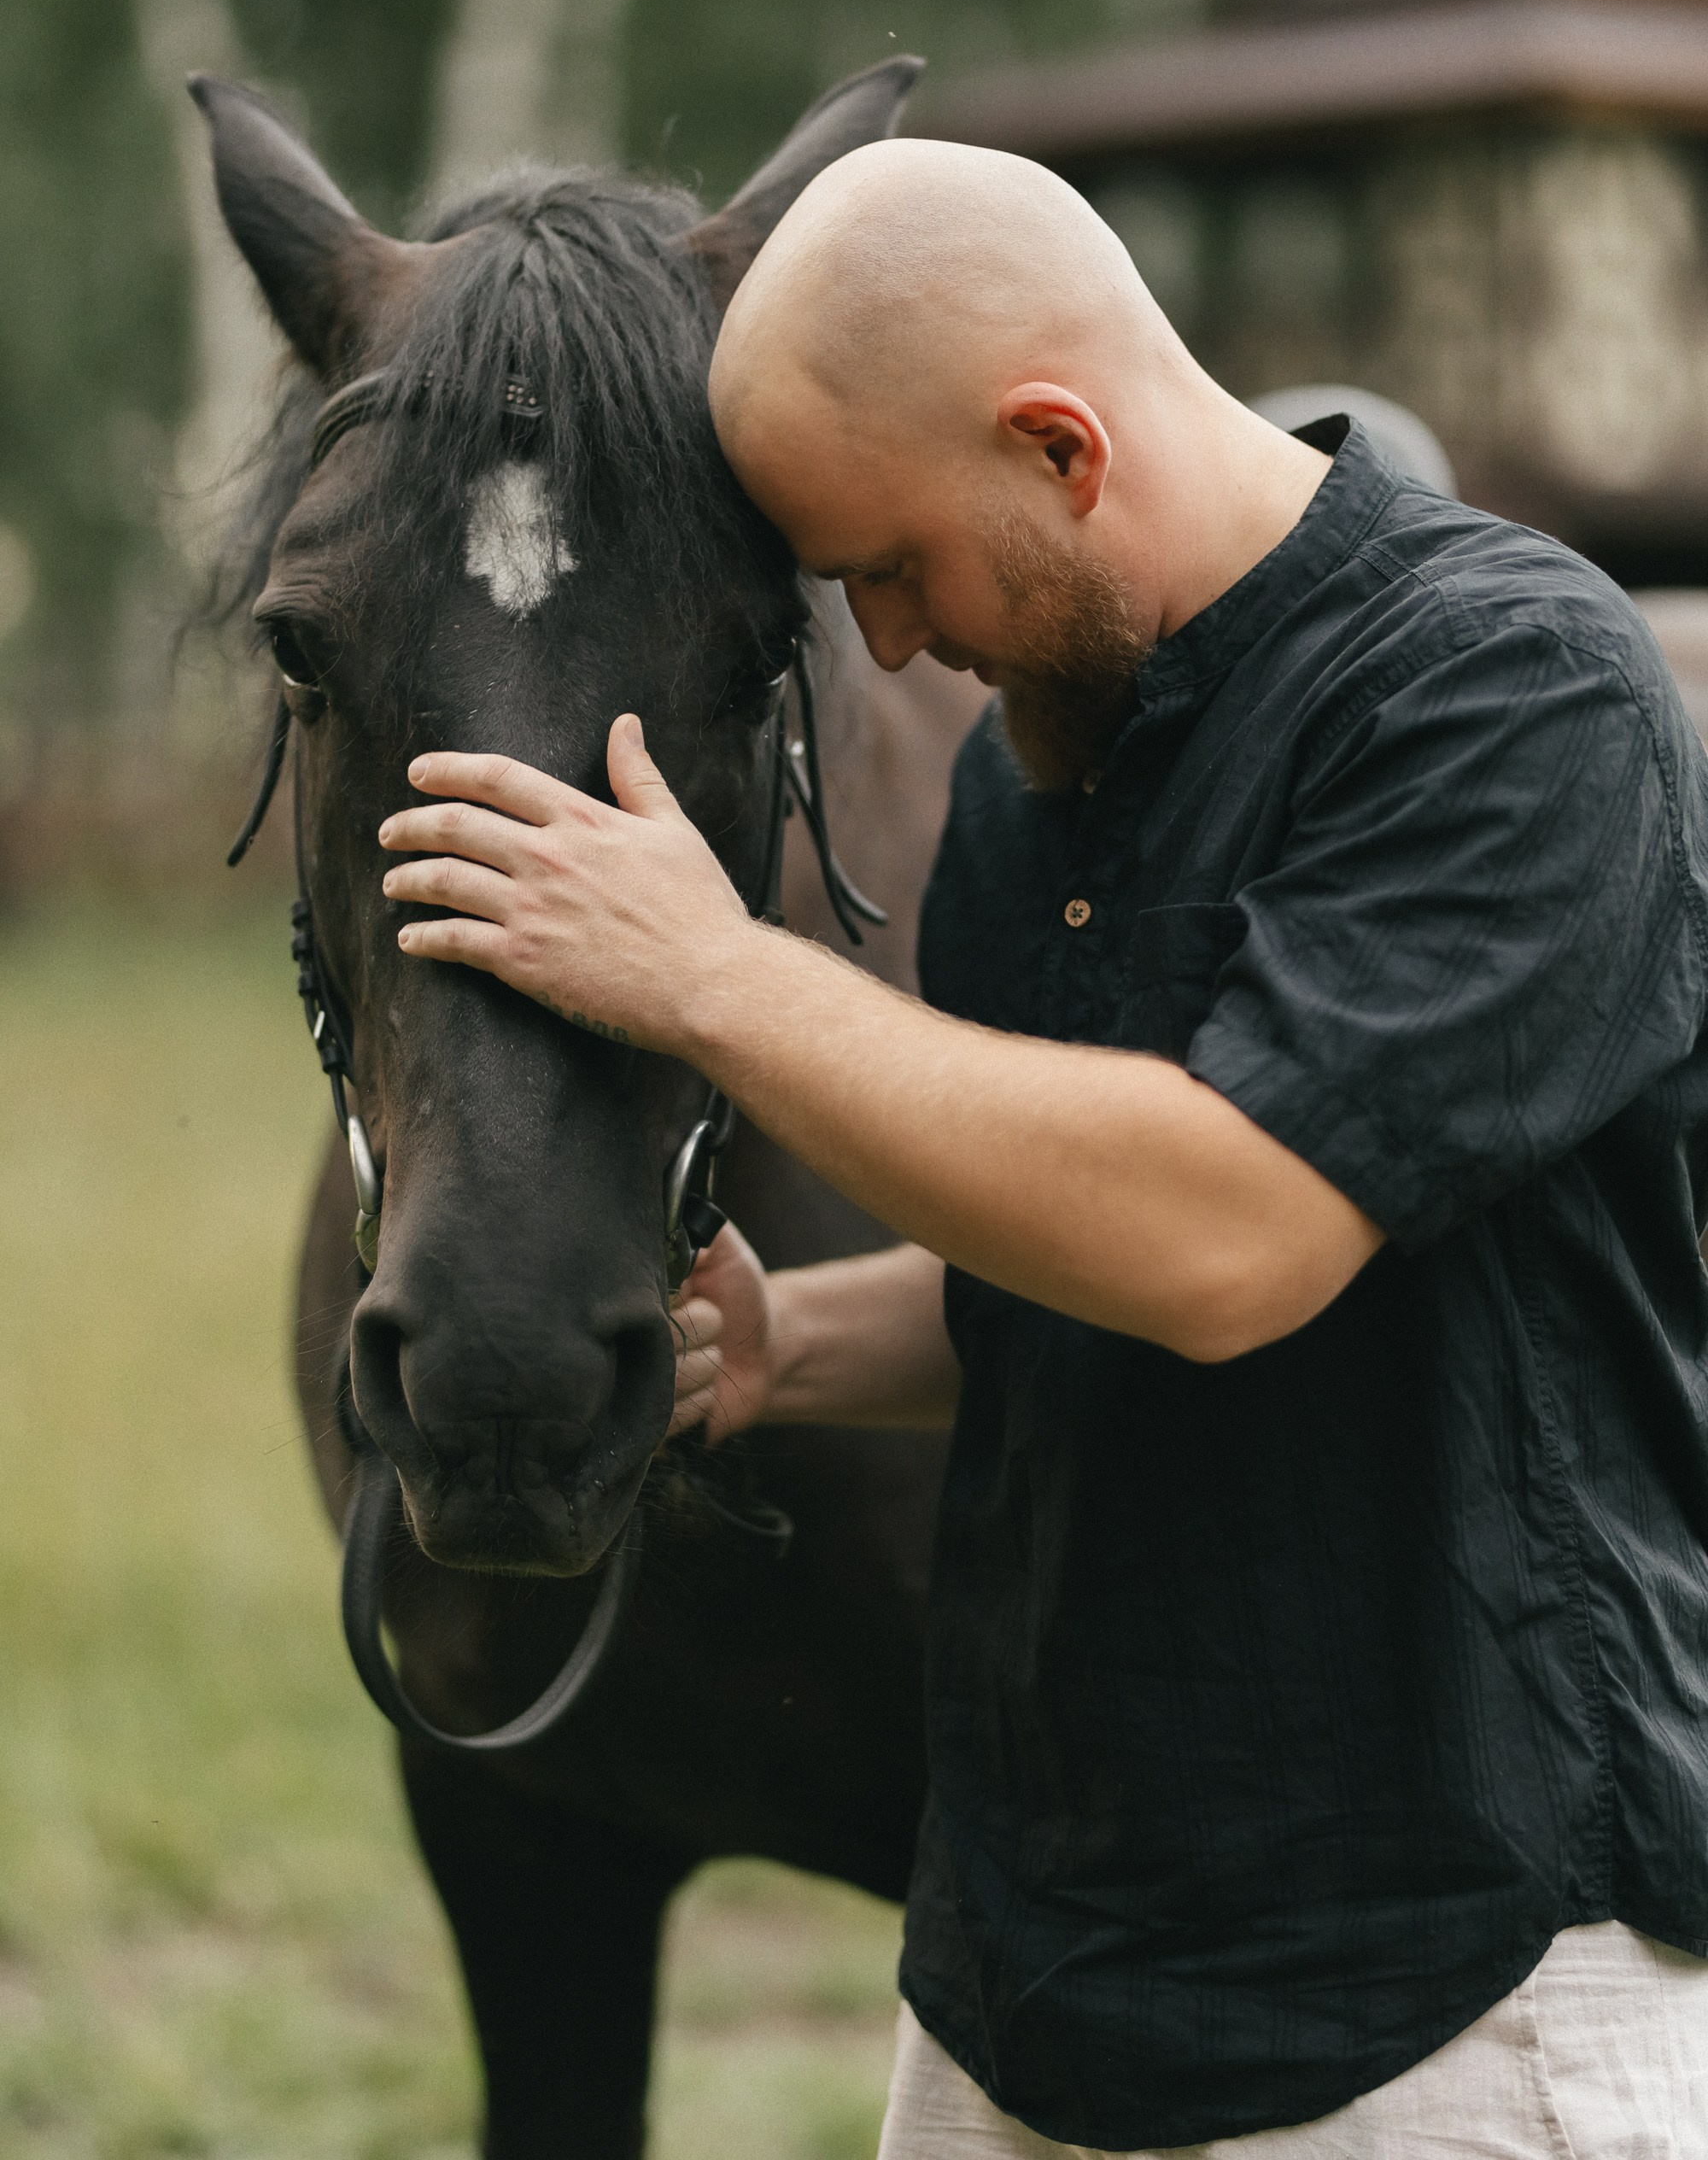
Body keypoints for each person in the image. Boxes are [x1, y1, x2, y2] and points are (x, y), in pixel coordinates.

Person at [374, 139, 1708, 2157]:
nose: (891, 650)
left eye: (896, 568)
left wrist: (713, 977)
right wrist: (784, 1349)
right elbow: (1056, 1246)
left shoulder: (1512, 693)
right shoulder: (1039, 775)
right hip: (1033, 1988)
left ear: (1059, 450)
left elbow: (1223, 1232)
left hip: (1443, 2001)